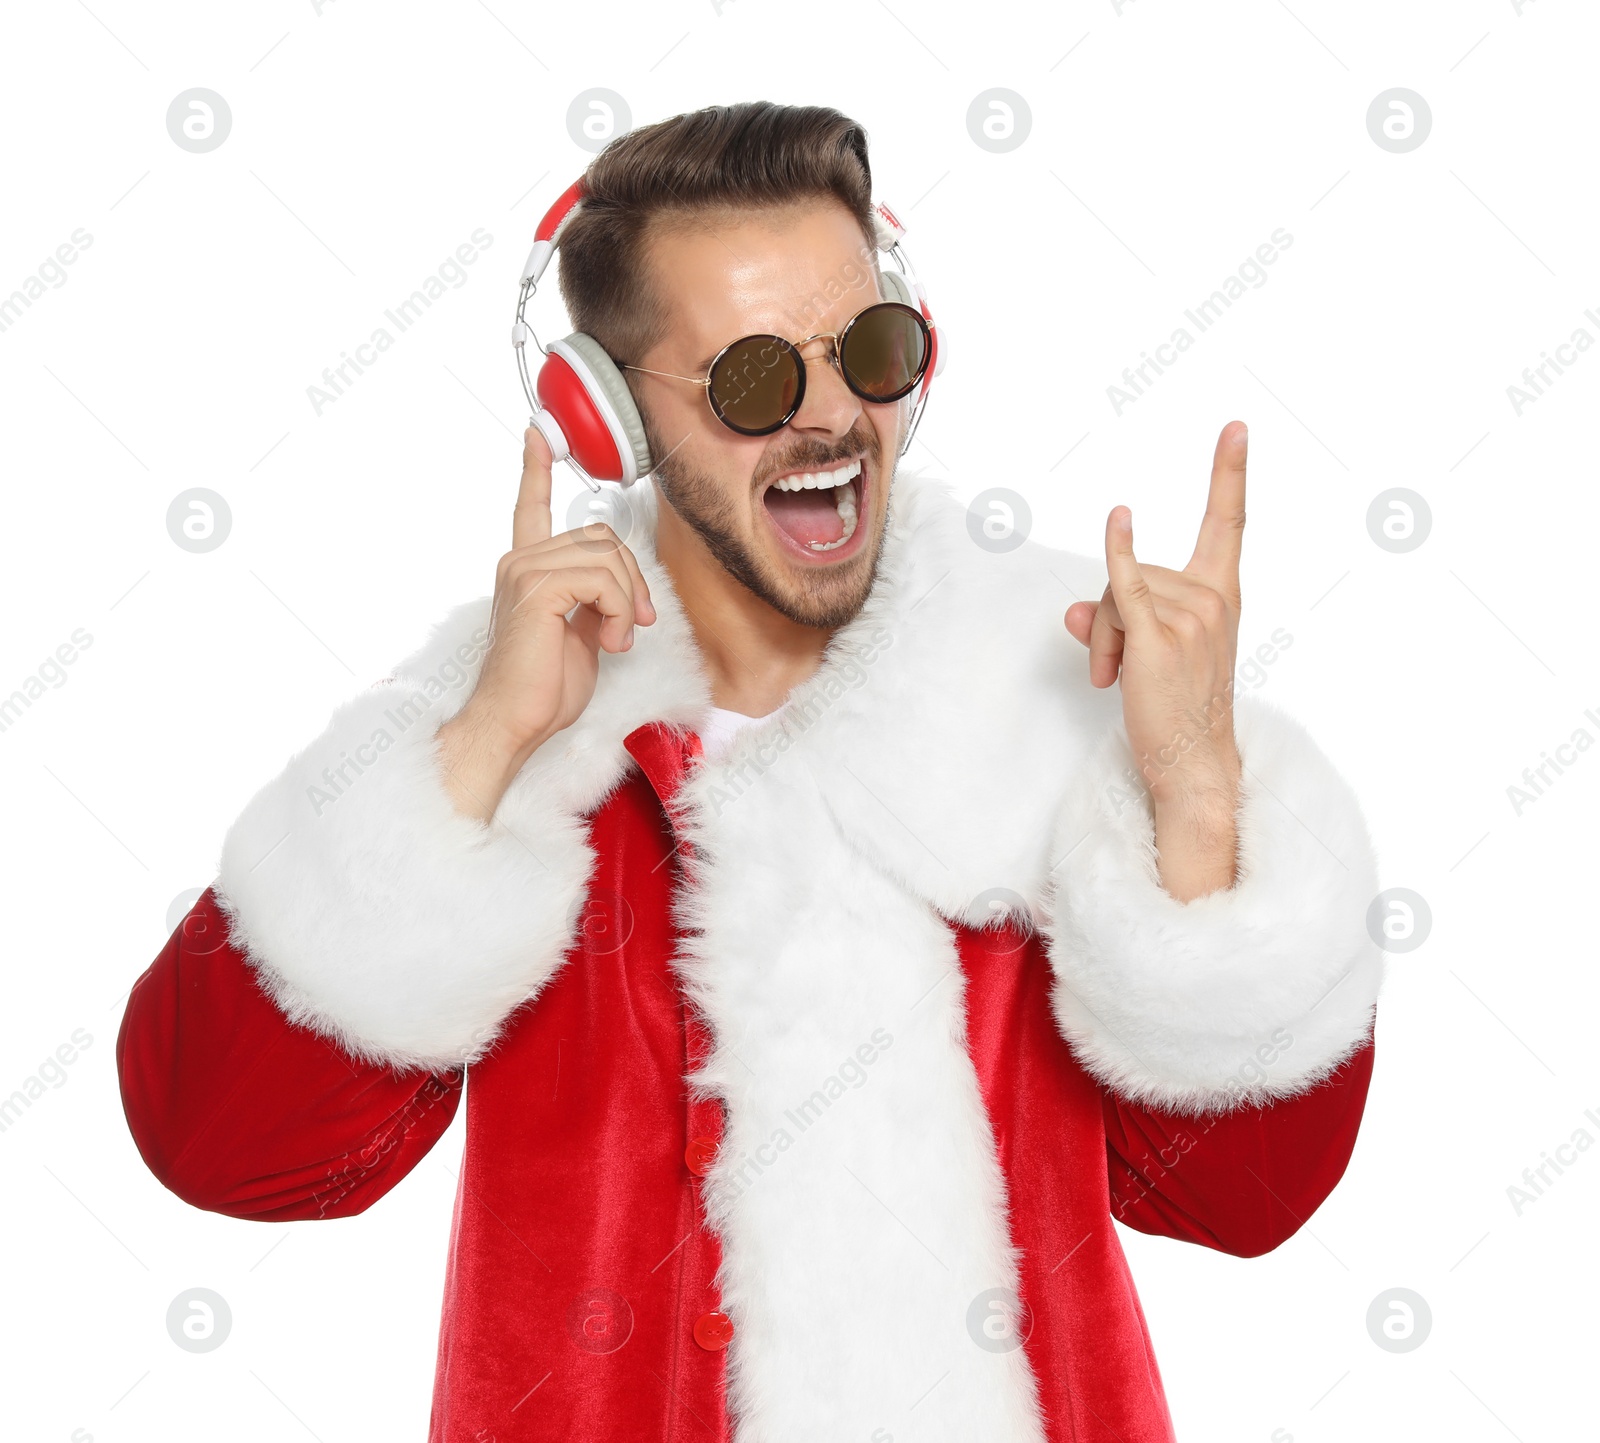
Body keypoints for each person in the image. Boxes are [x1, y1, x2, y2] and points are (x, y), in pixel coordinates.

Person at [117, 101, 1383, 1443]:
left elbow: (1241, 1203)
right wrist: (482, 749)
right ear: (604, 420)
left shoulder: (1065, 695)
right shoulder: (519, 737)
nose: (832, 414)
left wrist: (1190, 793)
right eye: (753, 380)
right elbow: (223, 1150)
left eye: (872, 354)